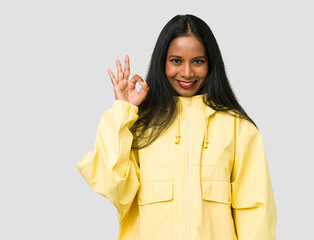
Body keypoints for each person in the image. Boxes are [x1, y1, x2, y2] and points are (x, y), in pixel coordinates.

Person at [77, 14, 277, 240]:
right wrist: (123, 110)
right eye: (176, 60)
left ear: (211, 64)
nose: (187, 72)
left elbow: (256, 212)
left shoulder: (237, 128)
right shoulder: (139, 125)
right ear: (162, 61)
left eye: (198, 61)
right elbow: (110, 182)